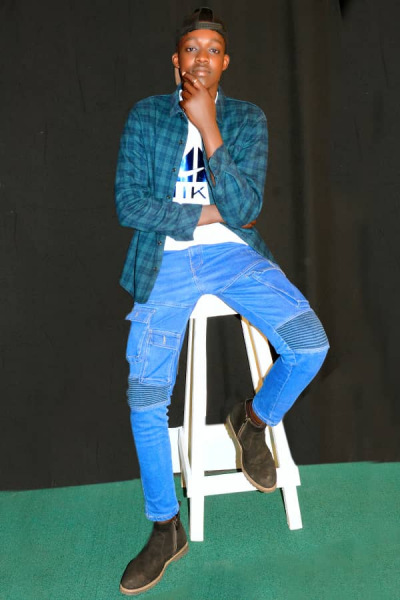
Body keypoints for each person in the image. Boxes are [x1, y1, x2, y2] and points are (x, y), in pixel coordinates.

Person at [115, 6, 329, 595]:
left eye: (213, 49)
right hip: (164, 260)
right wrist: (207, 214)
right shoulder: (146, 116)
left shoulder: (246, 118)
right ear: (177, 59)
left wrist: (209, 126)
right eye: (192, 48)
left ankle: (252, 421)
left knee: (310, 345)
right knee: (146, 395)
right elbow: (129, 205)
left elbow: (247, 208)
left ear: (225, 61)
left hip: (235, 257)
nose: (202, 58)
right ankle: (166, 527)